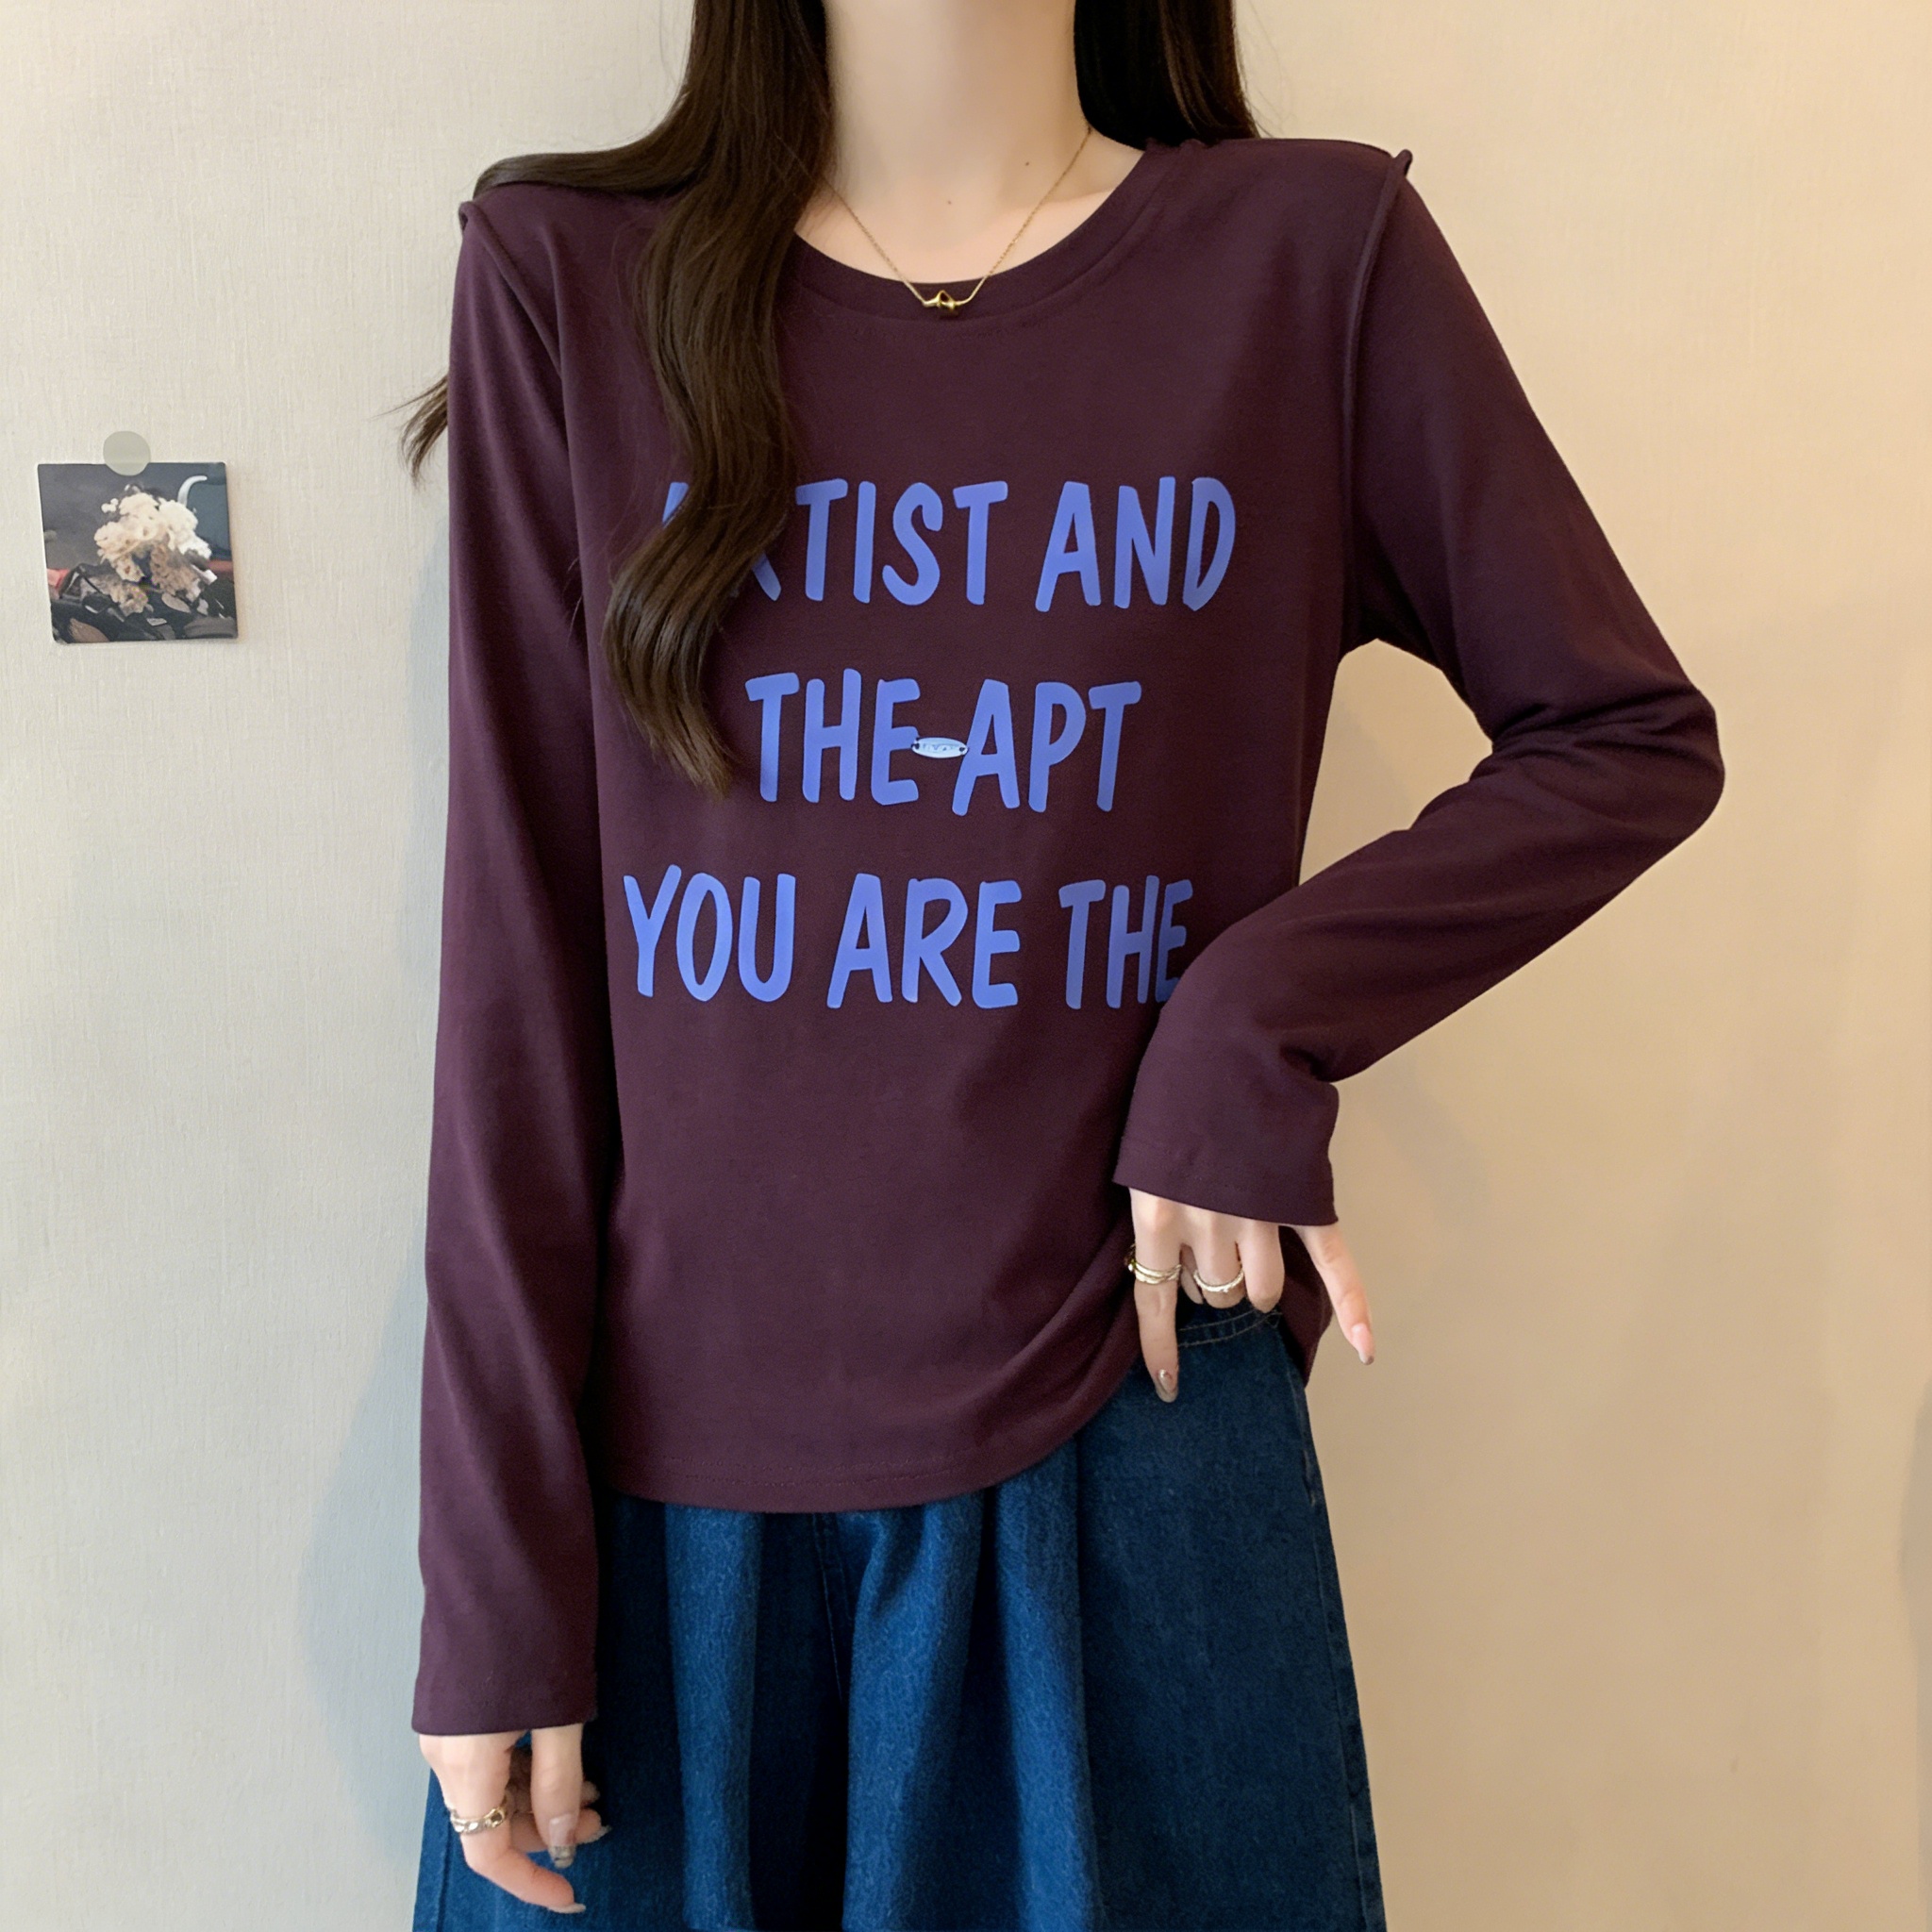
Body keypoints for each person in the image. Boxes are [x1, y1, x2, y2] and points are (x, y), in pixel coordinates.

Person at [391, 0, 1724, 1924]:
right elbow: (518, 980)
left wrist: (1253, 1020)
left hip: (1127, 1430)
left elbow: (1618, 732)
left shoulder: (1308, 260)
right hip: (664, 1506)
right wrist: (493, 1575)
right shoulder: (567, 283)